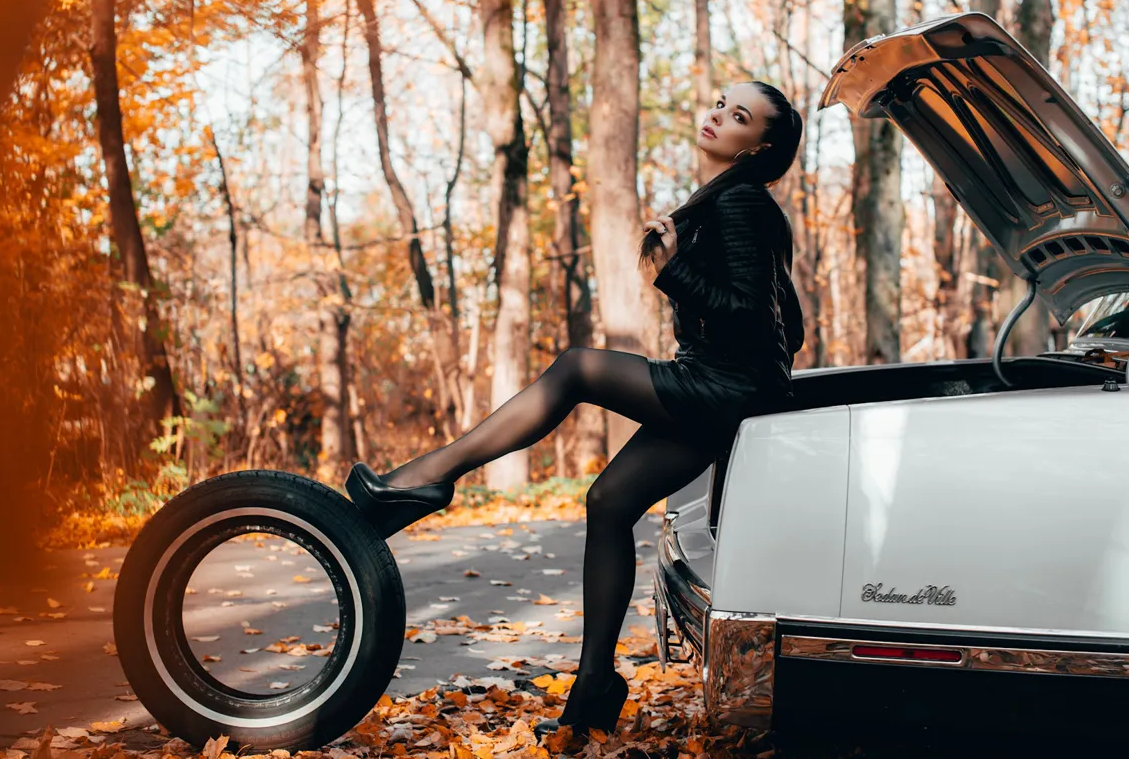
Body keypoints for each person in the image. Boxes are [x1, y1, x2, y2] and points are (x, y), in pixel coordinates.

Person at [345, 80, 805, 739]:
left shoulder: (740, 205)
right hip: (724, 391)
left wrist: (673, 272)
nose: (715, 117)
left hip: (720, 388)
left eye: (738, 118)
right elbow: (793, 325)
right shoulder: (735, 203)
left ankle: (423, 481)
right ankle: (595, 685)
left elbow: (755, 328)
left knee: (577, 368)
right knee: (608, 503)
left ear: (756, 148)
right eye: (717, 103)